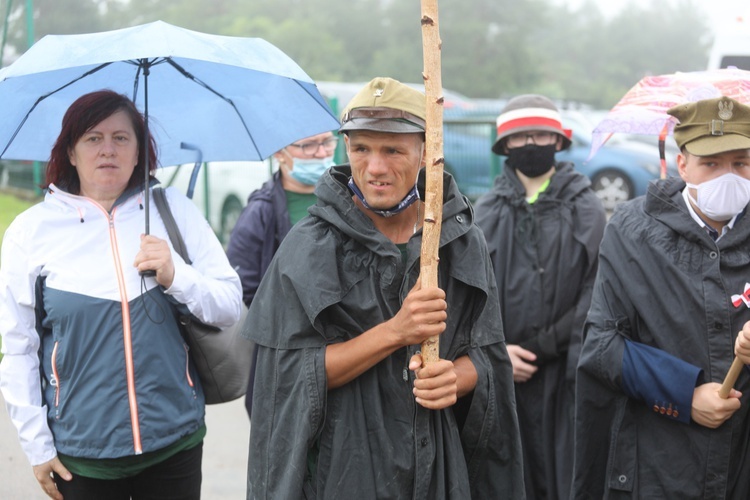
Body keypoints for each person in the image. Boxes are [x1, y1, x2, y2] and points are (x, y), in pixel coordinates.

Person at [243, 77, 524, 499]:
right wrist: (395, 332)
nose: (375, 168)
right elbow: (285, 377)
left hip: (439, 471)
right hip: (344, 473)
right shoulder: (309, 246)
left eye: (392, 150)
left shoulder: (457, 240)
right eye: (361, 149)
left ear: (426, 152)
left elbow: (487, 357)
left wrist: (455, 378)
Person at [0, 90, 242, 500]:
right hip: (82, 456)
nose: (108, 150)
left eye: (121, 138)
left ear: (138, 152)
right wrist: (37, 447)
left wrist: (176, 274)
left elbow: (229, 306)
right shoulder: (31, 231)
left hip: (175, 442)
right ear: (71, 153)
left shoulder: (173, 210)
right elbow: (18, 347)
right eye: (93, 138)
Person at [573, 96, 750, 499]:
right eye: (712, 163)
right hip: (660, 463)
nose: (729, 176)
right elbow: (601, 346)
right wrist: (685, 396)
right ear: (683, 164)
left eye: (740, 163)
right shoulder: (632, 231)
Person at [473, 94, 606, 500]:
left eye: (541, 135)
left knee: (565, 478)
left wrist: (548, 345)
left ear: (558, 141)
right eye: (521, 137)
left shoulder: (587, 208)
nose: (532, 143)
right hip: (503, 376)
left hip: (566, 375)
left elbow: (598, 289)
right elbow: (471, 293)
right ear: (505, 146)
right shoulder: (485, 211)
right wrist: (497, 353)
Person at [225, 130, 336, 417]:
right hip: (287, 362)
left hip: (345, 353)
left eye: (327, 142)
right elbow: (243, 289)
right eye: (308, 145)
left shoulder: (346, 200)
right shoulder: (260, 213)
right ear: (279, 153)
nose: (321, 153)